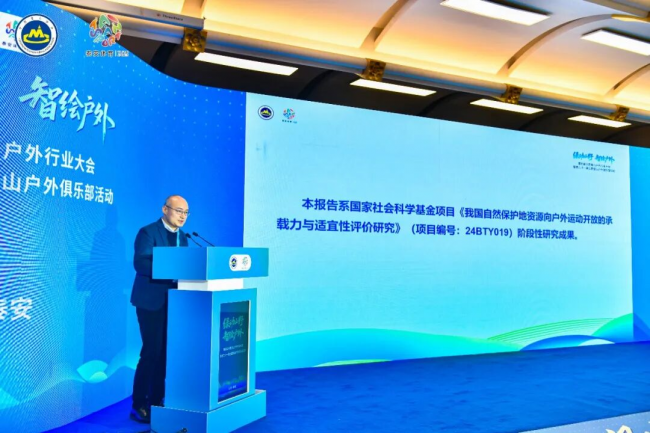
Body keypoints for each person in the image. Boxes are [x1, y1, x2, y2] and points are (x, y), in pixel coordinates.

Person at [129, 195, 190, 423]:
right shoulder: (148, 232)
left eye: (186, 213)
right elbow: (141, 263)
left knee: (165, 353)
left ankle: (157, 400)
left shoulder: (183, 237)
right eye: (178, 211)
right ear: (165, 209)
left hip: (174, 302)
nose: (183, 216)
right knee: (151, 352)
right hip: (150, 301)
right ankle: (139, 404)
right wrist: (169, 269)